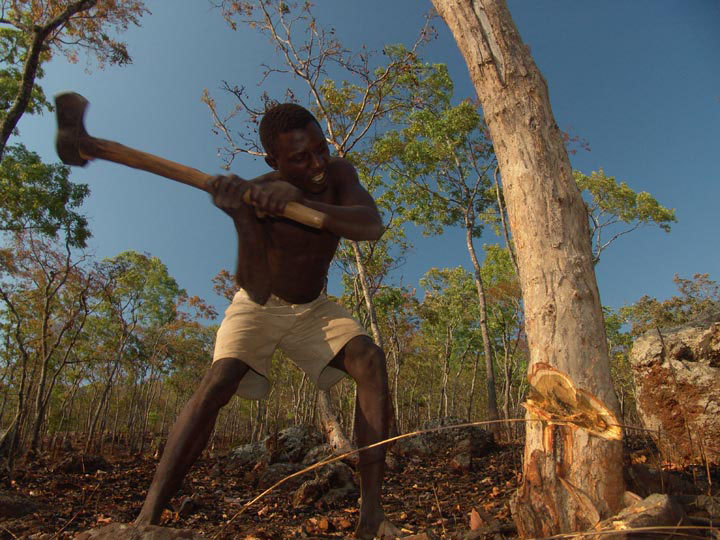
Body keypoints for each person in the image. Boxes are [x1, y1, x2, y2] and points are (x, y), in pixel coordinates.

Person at [135, 103, 398, 539]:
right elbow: (255, 288)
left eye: (320, 148)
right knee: (220, 379)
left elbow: (371, 225)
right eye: (299, 158)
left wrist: (305, 201)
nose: (316, 163)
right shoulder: (256, 193)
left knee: (369, 359)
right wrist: (244, 217)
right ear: (274, 162)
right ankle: (148, 517)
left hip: (313, 306)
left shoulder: (338, 175)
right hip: (259, 304)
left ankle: (371, 516)